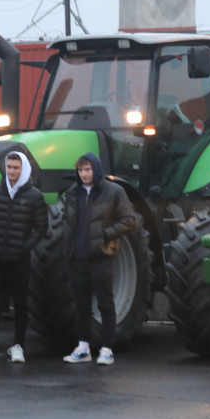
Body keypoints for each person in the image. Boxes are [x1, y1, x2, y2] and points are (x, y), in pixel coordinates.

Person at [0, 151, 47, 364]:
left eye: (16, 167)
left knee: (21, 303)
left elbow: (41, 228)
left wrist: (26, 247)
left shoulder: (35, 196)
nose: (12, 172)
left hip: (20, 259)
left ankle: (18, 346)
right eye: (9, 167)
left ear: (24, 169)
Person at [60, 152, 135, 366]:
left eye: (88, 169)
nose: (84, 174)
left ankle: (106, 349)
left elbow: (129, 220)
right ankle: (83, 348)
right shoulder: (72, 193)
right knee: (81, 304)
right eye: (81, 170)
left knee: (105, 303)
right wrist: (67, 252)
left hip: (101, 257)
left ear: (96, 169)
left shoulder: (114, 191)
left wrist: (106, 234)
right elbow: (67, 224)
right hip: (77, 258)